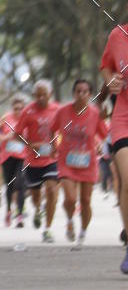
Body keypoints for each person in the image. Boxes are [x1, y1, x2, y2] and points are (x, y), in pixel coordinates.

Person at [51, 78, 108, 246]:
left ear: (89, 95)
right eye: (78, 91)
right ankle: (69, 220)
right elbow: (52, 129)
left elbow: (105, 135)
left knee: (86, 200)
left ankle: (82, 231)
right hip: (66, 162)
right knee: (70, 198)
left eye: (85, 92)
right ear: (73, 93)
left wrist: (100, 145)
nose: (81, 94)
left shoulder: (95, 114)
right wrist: (53, 145)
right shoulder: (62, 112)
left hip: (88, 163)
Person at [14, 79, 60, 242]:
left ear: (50, 94)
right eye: (38, 95)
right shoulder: (27, 111)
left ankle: (47, 229)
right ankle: (38, 209)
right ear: (34, 95)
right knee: (35, 196)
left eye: (44, 95)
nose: (41, 98)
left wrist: (58, 144)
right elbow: (17, 133)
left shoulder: (57, 109)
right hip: (33, 160)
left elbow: (65, 129)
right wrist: (30, 144)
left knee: (52, 190)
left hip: (51, 158)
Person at [100, 18, 128, 273]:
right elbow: (106, 67)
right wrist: (111, 81)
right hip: (123, 117)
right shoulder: (118, 35)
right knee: (127, 180)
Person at [0, 96, 26, 227]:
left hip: (22, 156)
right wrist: (3, 137)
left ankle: (20, 215)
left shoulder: (27, 119)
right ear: (13, 109)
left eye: (21, 109)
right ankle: (8, 211)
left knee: (20, 182)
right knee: (10, 185)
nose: (19, 111)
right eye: (16, 109)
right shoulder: (6, 118)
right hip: (7, 156)